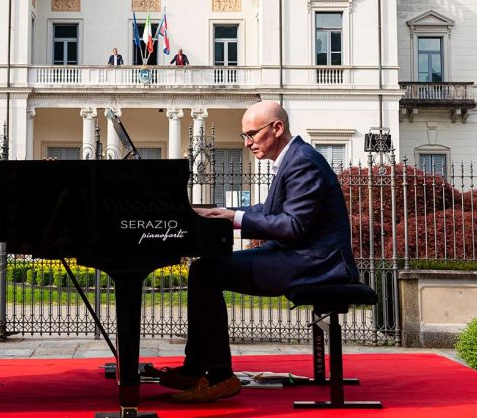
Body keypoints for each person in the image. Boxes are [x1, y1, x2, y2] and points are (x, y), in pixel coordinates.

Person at [151, 100, 358, 403]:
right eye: (244, 136)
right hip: (300, 256)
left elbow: (294, 225)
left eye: (251, 134)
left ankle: (220, 376)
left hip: (315, 263)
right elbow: (270, 211)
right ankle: (195, 370)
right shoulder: (293, 158)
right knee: (204, 269)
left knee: (205, 272)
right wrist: (225, 211)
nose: (247, 143)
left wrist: (234, 219)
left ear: (277, 128)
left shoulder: (302, 161)